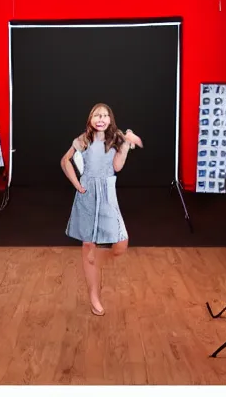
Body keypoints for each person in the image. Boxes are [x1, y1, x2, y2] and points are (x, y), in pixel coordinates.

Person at [60, 103, 143, 316]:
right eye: (97, 115)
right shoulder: (83, 140)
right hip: (87, 194)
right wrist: (77, 184)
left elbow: (117, 167)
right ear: (90, 119)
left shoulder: (115, 138)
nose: (101, 118)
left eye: (105, 115)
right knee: (88, 244)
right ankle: (94, 295)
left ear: (110, 120)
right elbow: (65, 161)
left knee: (121, 244)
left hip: (107, 193)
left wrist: (126, 143)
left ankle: (98, 261)